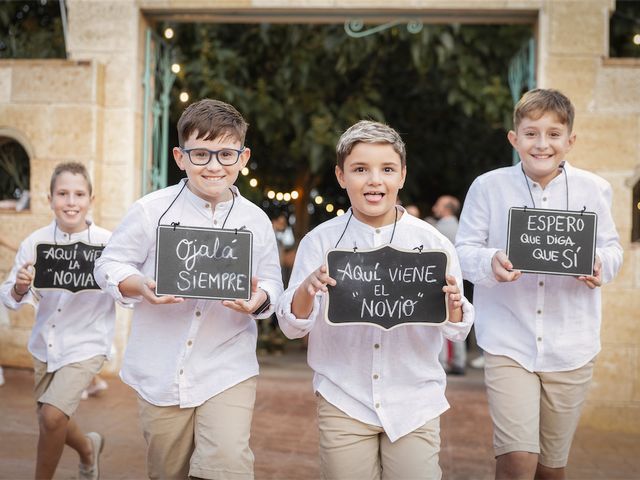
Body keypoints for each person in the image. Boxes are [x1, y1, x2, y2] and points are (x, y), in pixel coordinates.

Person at [94, 99, 283, 479]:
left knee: (227, 466)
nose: (214, 165)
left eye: (226, 154)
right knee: (167, 471)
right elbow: (108, 265)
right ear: (181, 157)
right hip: (159, 368)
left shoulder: (256, 221)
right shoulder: (151, 210)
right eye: (201, 154)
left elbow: (272, 282)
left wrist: (258, 299)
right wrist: (141, 285)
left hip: (228, 364)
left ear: (243, 157)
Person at [276, 120, 474, 479]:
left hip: (415, 400)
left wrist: (455, 304)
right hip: (343, 397)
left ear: (402, 175)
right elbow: (291, 326)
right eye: (360, 169)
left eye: (386, 169)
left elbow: (456, 330)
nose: (374, 180)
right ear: (341, 176)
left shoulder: (433, 244)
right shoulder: (321, 242)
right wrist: (307, 288)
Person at [456, 88, 623, 480]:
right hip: (508, 340)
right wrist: (490, 262)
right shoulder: (488, 187)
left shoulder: (594, 189)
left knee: (551, 467)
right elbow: (463, 250)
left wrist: (601, 265)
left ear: (570, 141)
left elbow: (612, 248)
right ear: (514, 139)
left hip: (572, 345)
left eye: (553, 134)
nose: (542, 144)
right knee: (516, 460)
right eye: (531, 133)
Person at [0, 162, 115, 480]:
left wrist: (116, 282)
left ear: (91, 199)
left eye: (79, 194)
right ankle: (88, 450)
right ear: (50, 199)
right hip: (44, 345)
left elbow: (127, 290)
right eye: (63, 193)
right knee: (50, 419)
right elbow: (8, 296)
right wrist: (21, 286)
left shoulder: (108, 245)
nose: (71, 201)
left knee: (51, 417)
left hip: (87, 344)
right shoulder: (35, 243)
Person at [432, 195, 467, 375]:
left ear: (445, 208)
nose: (434, 208)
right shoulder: (462, 228)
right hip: (461, 281)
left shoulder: (436, 230)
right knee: (459, 319)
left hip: (440, 282)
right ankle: (459, 361)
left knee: (441, 322)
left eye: (437, 204)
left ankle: (443, 362)